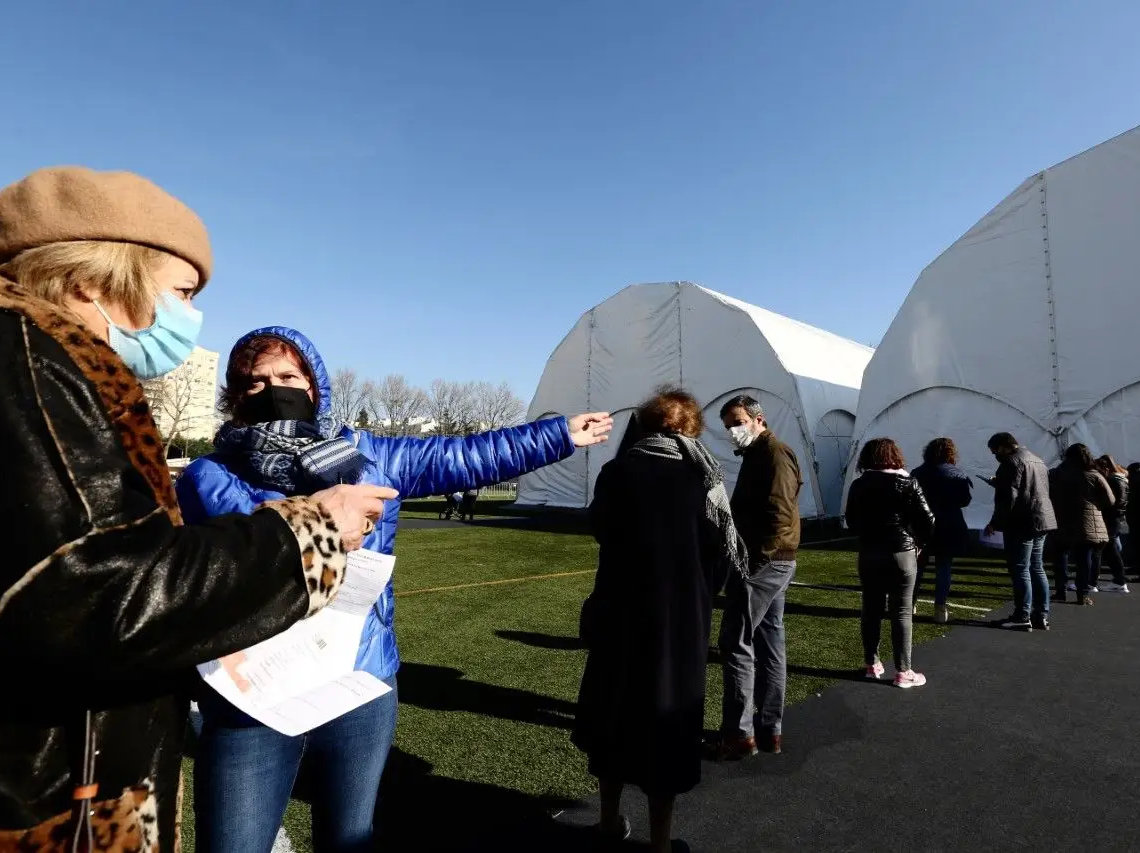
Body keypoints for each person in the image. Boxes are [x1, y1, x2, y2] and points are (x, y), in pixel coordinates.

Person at [0, 167, 391, 850]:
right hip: (32, 795)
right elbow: (95, 595)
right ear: (97, 282)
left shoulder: (9, 358)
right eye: (182, 292)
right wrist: (313, 531)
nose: (189, 317)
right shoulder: (27, 369)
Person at [175, 326, 613, 853]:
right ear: (235, 396)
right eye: (255, 382)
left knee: (350, 838)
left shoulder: (367, 453)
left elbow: (464, 456)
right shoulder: (205, 475)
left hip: (359, 676)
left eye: (288, 376)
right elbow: (193, 578)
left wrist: (559, 434)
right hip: (255, 691)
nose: (273, 389)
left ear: (315, 385)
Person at [574, 387, 746, 853]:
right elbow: (721, 557)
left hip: (620, 611)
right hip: (679, 622)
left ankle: (608, 821)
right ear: (691, 429)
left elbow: (603, 531)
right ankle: (662, 841)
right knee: (667, 725)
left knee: (613, 712)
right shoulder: (704, 480)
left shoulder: (618, 472)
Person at [711, 395, 803, 759]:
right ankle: (768, 730)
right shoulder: (759, 454)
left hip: (764, 561)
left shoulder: (774, 453)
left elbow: (779, 510)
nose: (732, 431)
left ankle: (739, 734)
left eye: (736, 422)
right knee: (769, 641)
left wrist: (753, 562)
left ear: (757, 419)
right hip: (770, 560)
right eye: (728, 426)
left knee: (736, 642)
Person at [845, 438, 934, 687]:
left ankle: (872, 664)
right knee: (902, 612)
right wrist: (918, 542)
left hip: (870, 552)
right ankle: (903, 672)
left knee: (871, 609)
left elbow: (851, 520)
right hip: (900, 552)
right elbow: (928, 519)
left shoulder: (859, 485)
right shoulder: (907, 482)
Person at [984, 432, 1058, 631]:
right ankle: (1041, 615)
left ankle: (1022, 615)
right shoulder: (1037, 460)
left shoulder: (1011, 463)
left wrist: (995, 522)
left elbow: (1008, 497)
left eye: (994, 451)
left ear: (1002, 447)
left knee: (1020, 569)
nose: (995, 455)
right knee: (1037, 567)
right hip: (1042, 518)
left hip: (1021, 521)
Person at [910, 437, 972, 623]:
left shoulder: (918, 472)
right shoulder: (958, 474)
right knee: (944, 567)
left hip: (923, 524)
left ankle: (910, 604)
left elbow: (911, 499)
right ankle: (940, 608)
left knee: (918, 567)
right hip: (950, 524)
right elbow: (965, 500)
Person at [1048, 444, 1115, 606]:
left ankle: (1060, 591)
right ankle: (1082, 595)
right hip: (1087, 522)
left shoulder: (1056, 473)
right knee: (1084, 561)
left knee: (1061, 558)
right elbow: (1110, 500)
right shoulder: (1093, 475)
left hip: (1061, 519)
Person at [1094, 455, 1131, 593]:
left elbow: (1110, 501)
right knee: (1112, 549)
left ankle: (1118, 580)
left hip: (1110, 518)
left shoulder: (1112, 481)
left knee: (1109, 550)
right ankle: (1119, 580)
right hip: (1117, 518)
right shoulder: (1121, 479)